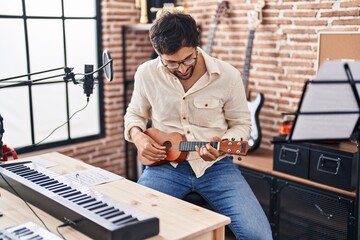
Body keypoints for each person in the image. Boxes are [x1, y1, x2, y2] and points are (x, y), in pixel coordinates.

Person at [124, 12, 272, 239]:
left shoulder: (228, 76)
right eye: (171, 63)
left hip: (217, 168)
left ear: (196, 45)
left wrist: (223, 145)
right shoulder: (146, 73)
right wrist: (139, 137)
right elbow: (134, 114)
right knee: (132, 227)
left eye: (187, 59)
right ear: (158, 53)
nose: (182, 69)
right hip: (164, 168)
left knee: (258, 236)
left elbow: (242, 124)